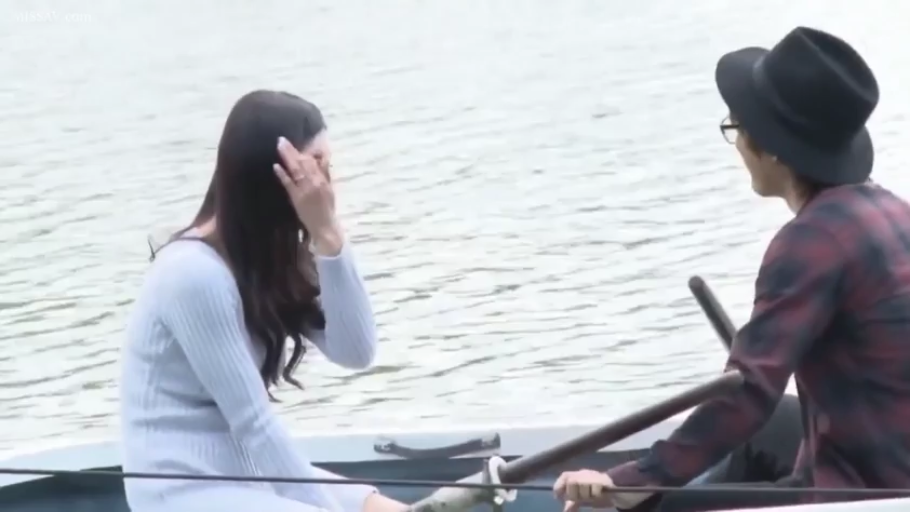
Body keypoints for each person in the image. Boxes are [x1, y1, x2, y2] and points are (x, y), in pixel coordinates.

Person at [554, 26, 910, 512]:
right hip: (888, 458)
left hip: (865, 493)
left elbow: (747, 394)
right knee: (765, 430)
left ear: (773, 148)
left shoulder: (811, 242)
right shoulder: (893, 211)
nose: (737, 143)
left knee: (645, 505)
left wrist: (630, 483)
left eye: (737, 128)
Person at [119, 90, 407, 512]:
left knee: (383, 509)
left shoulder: (270, 257)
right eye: (316, 167)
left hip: (244, 473)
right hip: (178, 491)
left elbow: (356, 350)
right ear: (276, 177)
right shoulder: (192, 274)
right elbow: (254, 422)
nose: (326, 184)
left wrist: (329, 237)